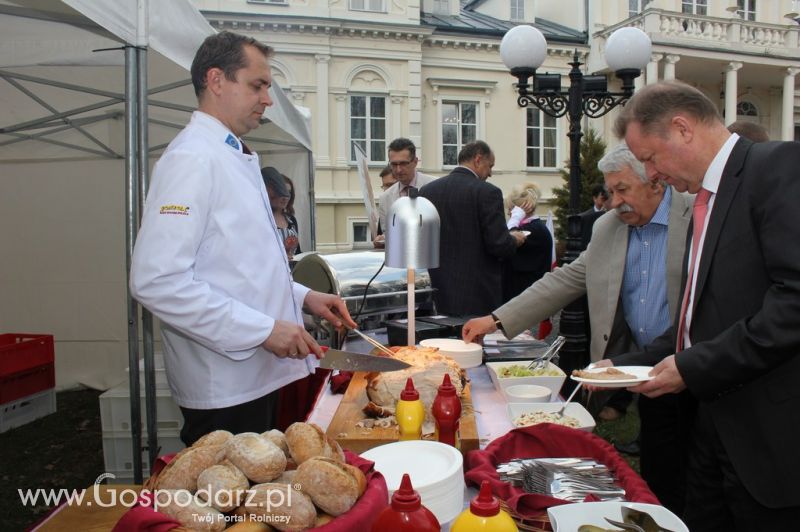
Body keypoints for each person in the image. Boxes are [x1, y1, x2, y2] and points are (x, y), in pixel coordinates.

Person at [129, 31, 357, 446]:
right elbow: (157, 281)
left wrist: (303, 295)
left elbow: (239, 265)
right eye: (258, 85)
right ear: (217, 81)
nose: (267, 99)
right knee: (232, 510)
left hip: (254, 378)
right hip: (225, 387)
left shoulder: (232, 154)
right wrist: (262, 330)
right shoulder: (192, 158)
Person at [462, 142, 694, 515]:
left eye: (623, 189)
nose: (613, 201)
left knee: (706, 478)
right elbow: (567, 278)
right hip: (644, 372)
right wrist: (496, 319)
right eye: (611, 190)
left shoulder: (694, 215)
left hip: (699, 367)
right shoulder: (608, 227)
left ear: (654, 181)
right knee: (661, 473)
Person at [610, 80, 800, 530]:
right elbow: (701, 314)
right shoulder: (700, 199)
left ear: (682, 128)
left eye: (651, 159)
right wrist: (627, 365)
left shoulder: (776, 168)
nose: (651, 175)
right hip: (710, 426)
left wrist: (695, 366)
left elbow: (793, 303)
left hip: (769, 437)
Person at [418, 140, 525, 317]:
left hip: (436, 288)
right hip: (476, 294)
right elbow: (498, 244)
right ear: (478, 159)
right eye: (490, 166)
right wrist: (515, 239)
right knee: (473, 343)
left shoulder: (427, 191)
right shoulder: (488, 192)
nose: (490, 173)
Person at [373, 138, 436, 248]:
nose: (398, 170)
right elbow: (388, 232)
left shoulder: (435, 186)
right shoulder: (385, 198)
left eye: (403, 164)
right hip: (400, 261)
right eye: (394, 164)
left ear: (415, 162)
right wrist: (383, 239)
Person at [502, 182, 552, 303]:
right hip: (521, 294)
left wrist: (516, 218)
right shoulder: (532, 227)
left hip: (525, 297)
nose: (509, 213)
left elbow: (504, 242)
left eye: (511, 210)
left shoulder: (533, 230)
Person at [262, 167, 301, 260]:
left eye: (289, 192)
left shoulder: (291, 220)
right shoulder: (262, 219)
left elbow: (298, 251)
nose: (285, 197)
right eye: (281, 191)